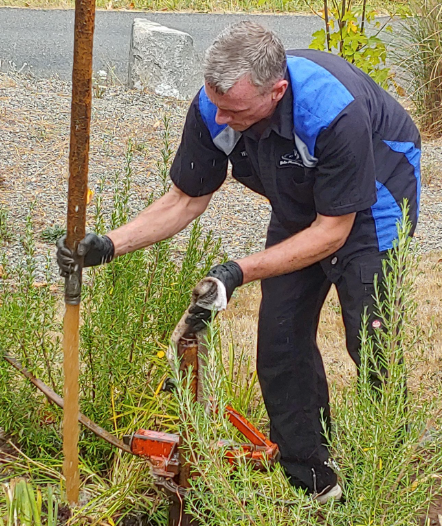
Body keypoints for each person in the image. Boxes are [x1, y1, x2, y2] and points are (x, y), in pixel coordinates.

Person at [57, 21, 421, 503]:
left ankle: (389, 476)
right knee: (280, 341)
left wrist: (239, 271)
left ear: (278, 91)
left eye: (235, 110)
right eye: (217, 105)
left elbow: (334, 231)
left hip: (374, 201)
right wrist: (107, 244)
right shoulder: (217, 107)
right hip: (302, 205)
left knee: (371, 340)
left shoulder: (332, 113)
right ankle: (312, 480)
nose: (222, 119)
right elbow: (186, 198)